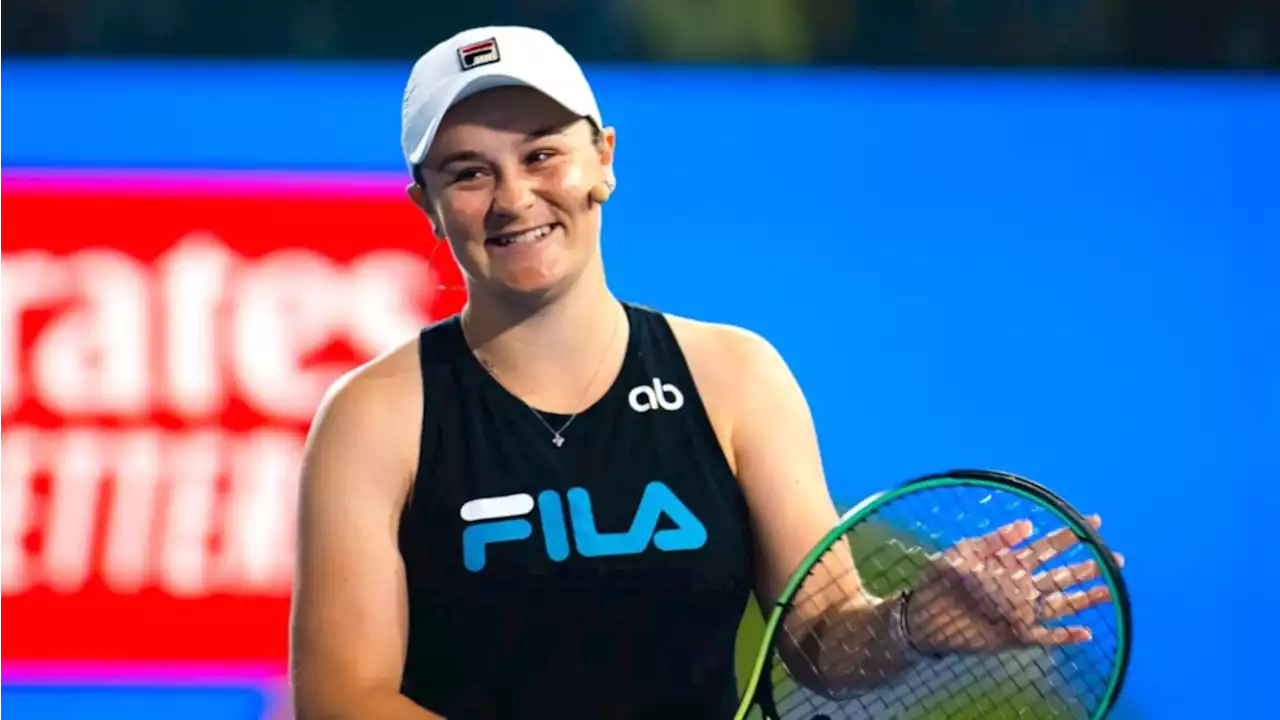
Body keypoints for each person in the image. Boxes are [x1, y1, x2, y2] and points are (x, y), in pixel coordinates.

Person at [287, 25, 1115, 720]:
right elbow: (341, 699)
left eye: (542, 154)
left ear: (603, 160)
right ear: (426, 205)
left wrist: (910, 624)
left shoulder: (734, 377)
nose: (513, 197)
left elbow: (822, 637)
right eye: (469, 172)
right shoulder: (374, 417)